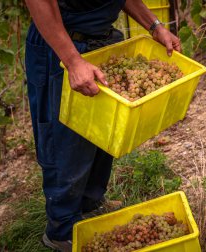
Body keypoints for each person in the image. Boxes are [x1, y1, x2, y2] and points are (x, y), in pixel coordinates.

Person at [24, 0, 181, 251]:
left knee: (100, 133)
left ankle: (89, 208)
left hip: (99, 42)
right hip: (61, 48)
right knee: (63, 142)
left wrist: (154, 26)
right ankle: (62, 230)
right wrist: (73, 61)